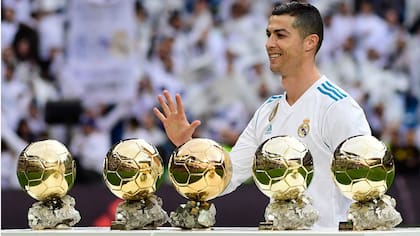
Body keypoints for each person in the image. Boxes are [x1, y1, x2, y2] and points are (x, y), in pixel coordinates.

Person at [153, 1, 371, 229]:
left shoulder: (338, 107)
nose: (269, 44)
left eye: (280, 35)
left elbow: (368, 186)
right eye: (268, 35)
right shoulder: (267, 111)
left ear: (310, 42)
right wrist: (187, 145)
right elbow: (227, 176)